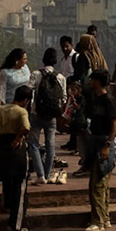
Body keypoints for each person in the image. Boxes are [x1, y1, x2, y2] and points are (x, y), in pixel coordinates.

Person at [80, 70, 116, 231]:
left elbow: (114, 124)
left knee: (97, 184)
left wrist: (107, 145)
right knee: (101, 184)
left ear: (98, 81)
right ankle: (105, 217)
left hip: (103, 142)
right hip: (96, 141)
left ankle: (98, 221)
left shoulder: (108, 100)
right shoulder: (96, 99)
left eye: (92, 79)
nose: (89, 81)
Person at [0, 86, 33, 231]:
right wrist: (18, 138)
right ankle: (16, 225)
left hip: (3, 147)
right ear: (26, 100)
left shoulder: (0, 110)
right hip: (17, 150)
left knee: (7, 181)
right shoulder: (21, 111)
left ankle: (7, 206)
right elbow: (26, 128)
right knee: (20, 187)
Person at [31, 49, 66, 185]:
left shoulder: (36, 74)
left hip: (36, 113)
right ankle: (47, 173)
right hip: (52, 116)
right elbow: (63, 98)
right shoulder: (61, 78)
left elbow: (29, 91)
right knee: (50, 144)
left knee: (33, 144)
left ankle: (40, 175)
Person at [0, 48, 31, 115]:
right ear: (17, 60)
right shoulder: (5, 72)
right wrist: (0, 104)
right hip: (11, 103)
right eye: (24, 59)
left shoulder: (25, 68)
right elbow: (1, 89)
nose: (26, 61)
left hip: (25, 103)